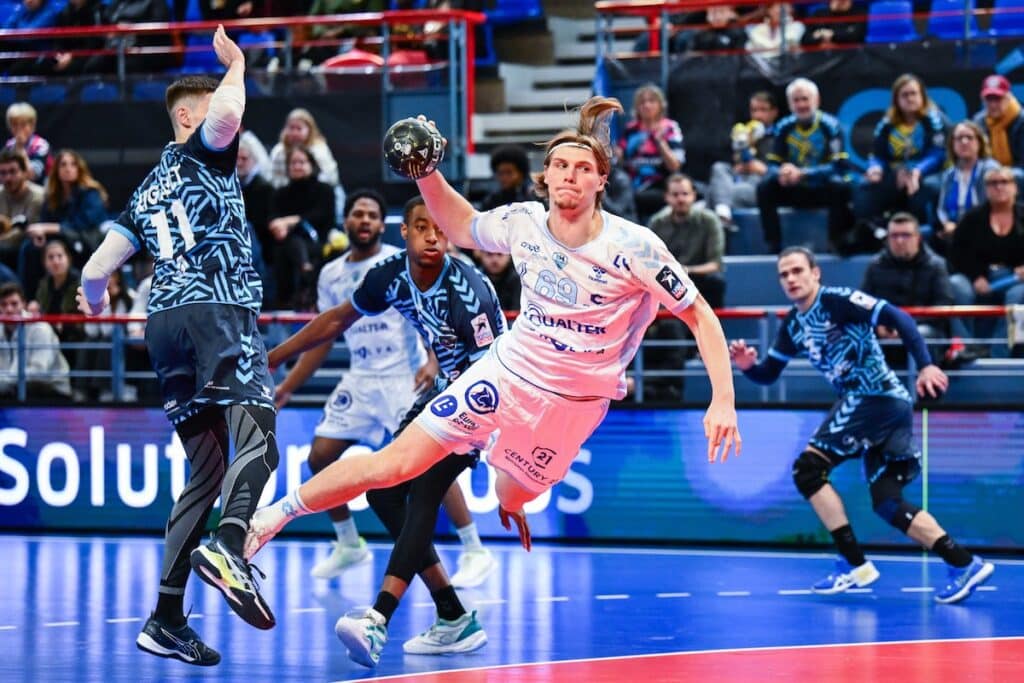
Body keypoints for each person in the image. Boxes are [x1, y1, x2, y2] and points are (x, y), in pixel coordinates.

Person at [245, 96, 741, 634]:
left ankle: (508, 493)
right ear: (545, 176)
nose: (570, 175)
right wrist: (427, 174)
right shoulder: (523, 221)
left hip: (573, 403)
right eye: (560, 165)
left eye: (583, 168)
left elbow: (699, 314)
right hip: (506, 371)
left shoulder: (634, 247)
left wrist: (723, 398)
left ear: (601, 181)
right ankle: (268, 520)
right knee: (395, 463)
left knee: (511, 495)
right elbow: (462, 226)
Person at [74, 28, 278, 665]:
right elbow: (228, 114)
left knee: (207, 470)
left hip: (162, 325)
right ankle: (230, 544)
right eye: (208, 111)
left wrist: (96, 302)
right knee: (261, 437)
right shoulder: (203, 151)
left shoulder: (144, 192)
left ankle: (164, 618)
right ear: (186, 118)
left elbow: (94, 271)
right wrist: (236, 65)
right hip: (216, 311)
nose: (227, 127)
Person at [267, 195, 506, 666]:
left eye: (441, 229)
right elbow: (337, 319)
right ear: (405, 232)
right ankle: (453, 615)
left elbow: (491, 372)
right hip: (442, 394)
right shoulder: (390, 275)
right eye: (423, 227)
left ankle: (378, 619)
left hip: (484, 398)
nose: (433, 237)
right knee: (382, 492)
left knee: (423, 490)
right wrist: (272, 358)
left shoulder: (470, 291)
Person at [729, 247, 994, 603]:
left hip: (873, 396)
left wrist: (927, 365)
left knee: (807, 471)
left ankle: (854, 564)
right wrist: (748, 367)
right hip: (885, 406)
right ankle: (964, 563)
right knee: (887, 502)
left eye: (797, 271)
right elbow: (768, 374)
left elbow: (899, 317)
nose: (791, 279)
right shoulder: (792, 325)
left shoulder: (838, 301)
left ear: (815, 273)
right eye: (784, 274)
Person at [645, 173, 727, 400]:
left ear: (693, 196)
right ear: (667, 197)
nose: (680, 199)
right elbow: (649, 263)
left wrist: (685, 271)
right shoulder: (657, 223)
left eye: (685, 194)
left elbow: (715, 264)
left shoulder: (709, 221)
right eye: (675, 194)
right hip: (667, 281)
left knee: (716, 282)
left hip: (698, 277)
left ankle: (708, 344)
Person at [757, 77, 853, 253]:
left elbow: (839, 165)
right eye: (796, 100)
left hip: (821, 188)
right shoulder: (784, 127)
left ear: (816, 100)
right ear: (790, 104)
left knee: (841, 186)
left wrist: (804, 173)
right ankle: (773, 244)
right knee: (765, 187)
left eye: (805, 99)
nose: (801, 104)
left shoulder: (831, 126)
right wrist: (782, 173)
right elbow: (772, 164)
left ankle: (836, 242)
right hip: (794, 189)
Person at [860, 212, 954, 367]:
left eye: (906, 235)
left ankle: (925, 381)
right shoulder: (875, 265)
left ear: (918, 237)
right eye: (894, 236)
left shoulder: (936, 265)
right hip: (885, 329)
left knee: (922, 334)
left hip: (923, 327)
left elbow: (943, 306)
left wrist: (905, 326)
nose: (899, 241)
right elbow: (864, 304)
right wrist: (878, 325)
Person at [948, 165, 1024, 356]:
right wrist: (976, 276)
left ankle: (999, 354)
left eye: (1004, 182)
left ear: (1015, 187)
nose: (999, 187)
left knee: (1018, 295)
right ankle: (967, 348)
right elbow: (957, 254)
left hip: (1016, 279)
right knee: (955, 285)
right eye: (992, 183)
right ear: (985, 189)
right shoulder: (972, 218)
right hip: (979, 276)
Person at [854, 74, 946, 230]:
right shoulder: (886, 124)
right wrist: (876, 168)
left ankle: (922, 232)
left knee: (923, 189)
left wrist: (916, 171)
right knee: (865, 187)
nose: (910, 99)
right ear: (896, 99)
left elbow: (937, 154)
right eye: (904, 95)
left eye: (913, 94)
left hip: (927, 173)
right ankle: (872, 231)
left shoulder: (935, 121)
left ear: (922, 96)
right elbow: (877, 154)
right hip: (896, 173)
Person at [21, 149, 108, 290]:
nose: (68, 169)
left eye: (73, 164)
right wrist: (41, 235)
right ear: (56, 169)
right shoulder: (52, 196)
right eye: (63, 165)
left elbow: (82, 224)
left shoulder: (91, 193)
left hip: (85, 239)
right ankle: (30, 296)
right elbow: (45, 219)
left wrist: (47, 228)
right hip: (59, 239)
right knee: (30, 248)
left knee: (63, 249)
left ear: (79, 169)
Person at [266, 145, 336, 309]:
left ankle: (304, 278)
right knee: (286, 244)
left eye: (302, 162)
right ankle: (301, 274)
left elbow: (322, 216)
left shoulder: (325, 190)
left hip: (318, 240)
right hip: (287, 241)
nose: (297, 166)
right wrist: (278, 226)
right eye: (293, 163)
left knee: (292, 241)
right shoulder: (280, 193)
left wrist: (290, 221)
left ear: (312, 165)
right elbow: (272, 217)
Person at [706, 91, 779, 225]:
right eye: (754, 110)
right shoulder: (744, 132)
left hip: (760, 185)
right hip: (738, 179)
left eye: (763, 110)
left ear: (774, 112)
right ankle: (722, 212)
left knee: (714, 194)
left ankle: (722, 216)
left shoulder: (781, 136)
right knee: (719, 168)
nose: (758, 115)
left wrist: (763, 169)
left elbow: (784, 171)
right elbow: (735, 164)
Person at [618, 84, 686, 222]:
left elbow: (675, 166)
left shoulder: (670, 127)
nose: (647, 105)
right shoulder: (630, 129)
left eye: (651, 101)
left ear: (661, 105)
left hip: (660, 183)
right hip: (632, 184)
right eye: (642, 102)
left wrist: (660, 142)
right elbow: (619, 159)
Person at [932, 121, 1000, 255]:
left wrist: (962, 228)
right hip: (953, 230)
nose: (964, 142)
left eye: (969, 137)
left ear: (979, 142)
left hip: (983, 229)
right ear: (952, 144)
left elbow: (993, 208)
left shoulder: (990, 170)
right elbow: (941, 209)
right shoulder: (949, 175)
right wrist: (946, 223)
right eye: (959, 138)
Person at [0, 281, 71, 399]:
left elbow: (39, 373)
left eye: (14, 304)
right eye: (3, 304)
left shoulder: (40, 328)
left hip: (52, 389)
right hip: (13, 387)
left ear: (23, 304)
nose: (9, 309)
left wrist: (6, 380)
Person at [971, 75, 1024, 177]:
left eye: (998, 99)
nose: (993, 104)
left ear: (1008, 98)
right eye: (989, 99)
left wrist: (1003, 176)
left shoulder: (1021, 121)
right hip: (988, 176)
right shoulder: (978, 122)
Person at [0, 148, 44, 272]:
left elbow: (23, 234)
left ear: (25, 173)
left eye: (13, 171)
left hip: (24, 255)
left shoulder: (38, 196)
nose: (8, 178)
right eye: (3, 173)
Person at [4, 103, 52, 182]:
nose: (19, 128)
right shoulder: (9, 145)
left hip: (38, 187)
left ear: (32, 126)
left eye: (23, 124)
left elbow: (32, 175)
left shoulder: (41, 145)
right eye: (14, 124)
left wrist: (20, 146)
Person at [479, 144, 533, 211]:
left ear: (521, 173)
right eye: (500, 173)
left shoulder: (532, 201)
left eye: (509, 172)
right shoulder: (490, 202)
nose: (504, 177)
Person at [800, 0, 866, 47]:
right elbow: (805, 39)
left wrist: (832, 35)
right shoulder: (819, 14)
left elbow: (857, 37)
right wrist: (820, 36)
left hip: (850, 57)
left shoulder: (859, 14)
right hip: (819, 56)